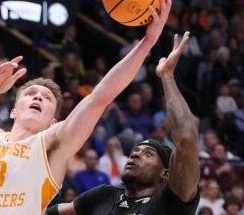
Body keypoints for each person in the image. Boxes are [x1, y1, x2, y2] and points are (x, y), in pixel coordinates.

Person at [0, 0, 172, 214]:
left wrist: (147, 43)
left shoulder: (52, 145)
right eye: (31, 93)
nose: (38, 96)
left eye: (47, 98)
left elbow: (99, 97)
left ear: (53, 122)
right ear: (13, 111)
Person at [47, 32, 200, 214]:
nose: (134, 155)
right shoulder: (103, 196)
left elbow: (187, 136)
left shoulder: (170, 201)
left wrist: (167, 76)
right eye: (135, 151)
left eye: (148, 154)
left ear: (166, 174)